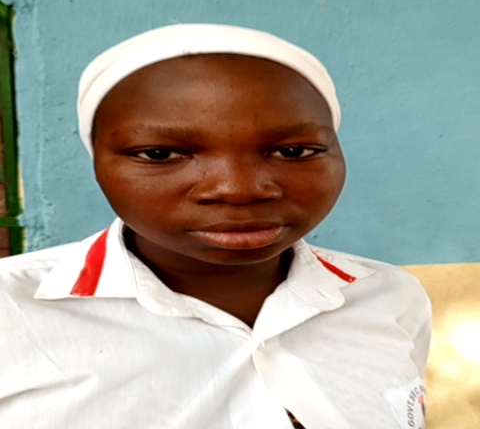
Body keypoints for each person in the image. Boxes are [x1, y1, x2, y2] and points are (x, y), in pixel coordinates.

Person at [0, 24, 431, 429]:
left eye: (294, 151)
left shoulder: (387, 297)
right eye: (160, 154)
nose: (238, 189)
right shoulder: (11, 311)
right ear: (96, 161)